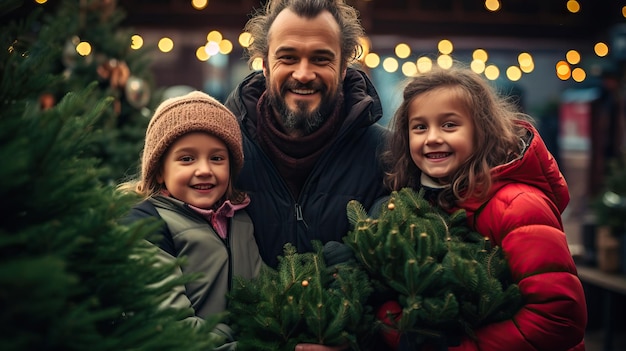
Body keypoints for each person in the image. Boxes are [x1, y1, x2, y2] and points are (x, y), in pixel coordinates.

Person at [378, 66, 587, 351]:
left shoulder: (518, 205)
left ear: (482, 130)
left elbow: (558, 318)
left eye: (449, 125)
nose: (432, 137)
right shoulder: (422, 203)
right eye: (420, 127)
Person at [224, 0, 389, 270]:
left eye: (321, 59)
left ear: (344, 67)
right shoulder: (223, 152)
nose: (303, 74)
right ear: (264, 64)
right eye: (288, 57)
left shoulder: (389, 155)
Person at [119, 91, 262, 350]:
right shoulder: (148, 225)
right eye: (187, 159)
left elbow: (263, 288)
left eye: (217, 158)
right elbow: (172, 330)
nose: (205, 170)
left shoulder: (240, 218)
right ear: (160, 171)